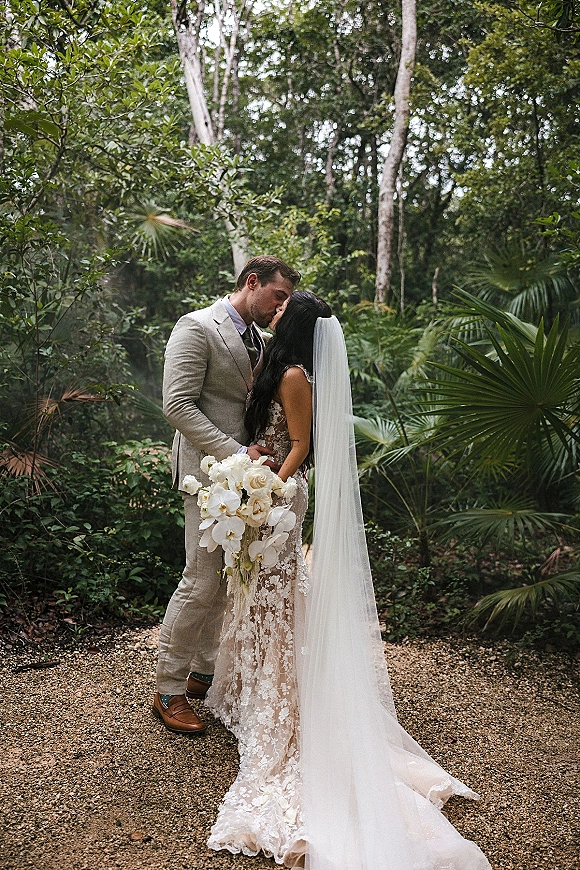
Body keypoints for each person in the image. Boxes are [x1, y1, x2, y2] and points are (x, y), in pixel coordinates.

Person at [205, 291, 492, 870]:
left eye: (285, 306)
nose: (276, 308)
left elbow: (304, 447)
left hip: (279, 503)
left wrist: (270, 494)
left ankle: (288, 705)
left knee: (278, 602)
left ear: (299, 324)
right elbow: (271, 434)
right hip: (258, 490)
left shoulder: (293, 375)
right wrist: (248, 465)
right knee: (256, 600)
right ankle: (258, 690)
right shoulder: (268, 364)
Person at [153, 256, 301, 735]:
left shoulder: (260, 340)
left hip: (246, 481)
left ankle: (201, 672)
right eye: (278, 296)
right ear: (251, 282)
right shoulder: (196, 327)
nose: (281, 307)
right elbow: (177, 404)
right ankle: (168, 688)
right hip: (207, 474)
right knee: (199, 580)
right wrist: (236, 452)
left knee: (222, 580)